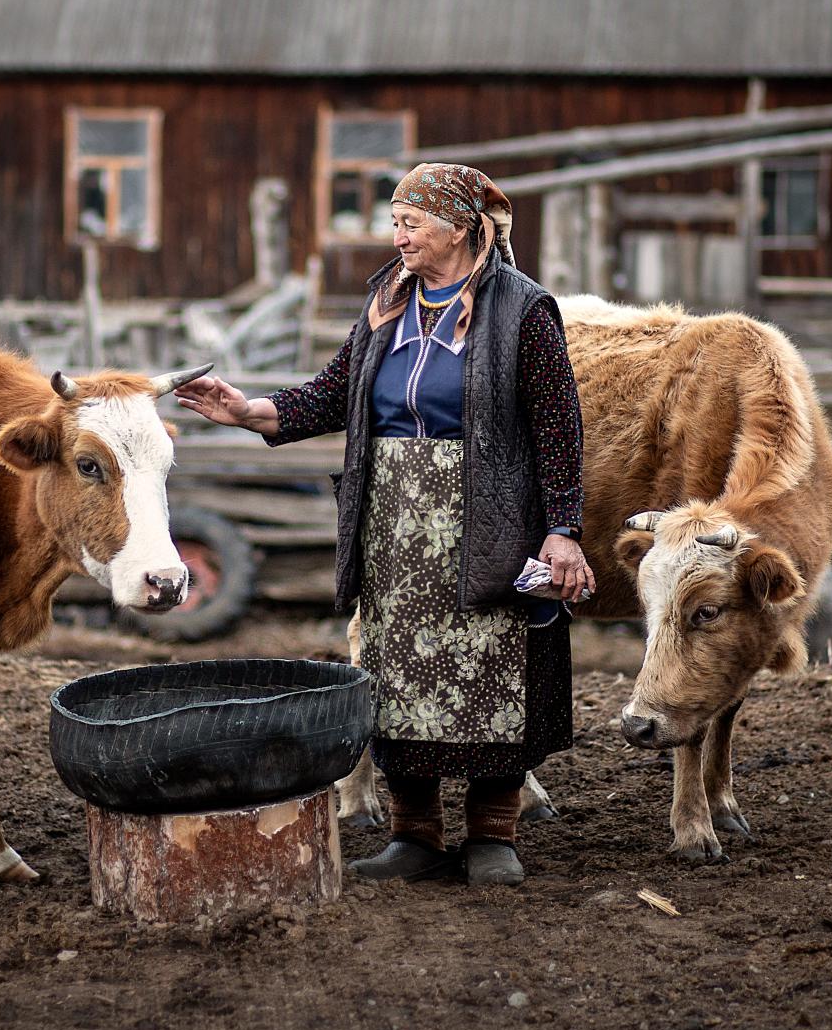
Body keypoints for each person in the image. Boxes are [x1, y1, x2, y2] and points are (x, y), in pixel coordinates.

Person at [176, 163, 592, 887]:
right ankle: (415, 836)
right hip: (395, 522)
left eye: (411, 222)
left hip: (489, 518)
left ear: (461, 227)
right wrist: (246, 411)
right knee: (398, 673)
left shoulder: (523, 311)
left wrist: (562, 528)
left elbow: (559, 429)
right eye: (394, 220)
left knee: (494, 670)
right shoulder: (387, 302)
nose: (395, 235)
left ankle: (493, 834)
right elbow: (333, 394)